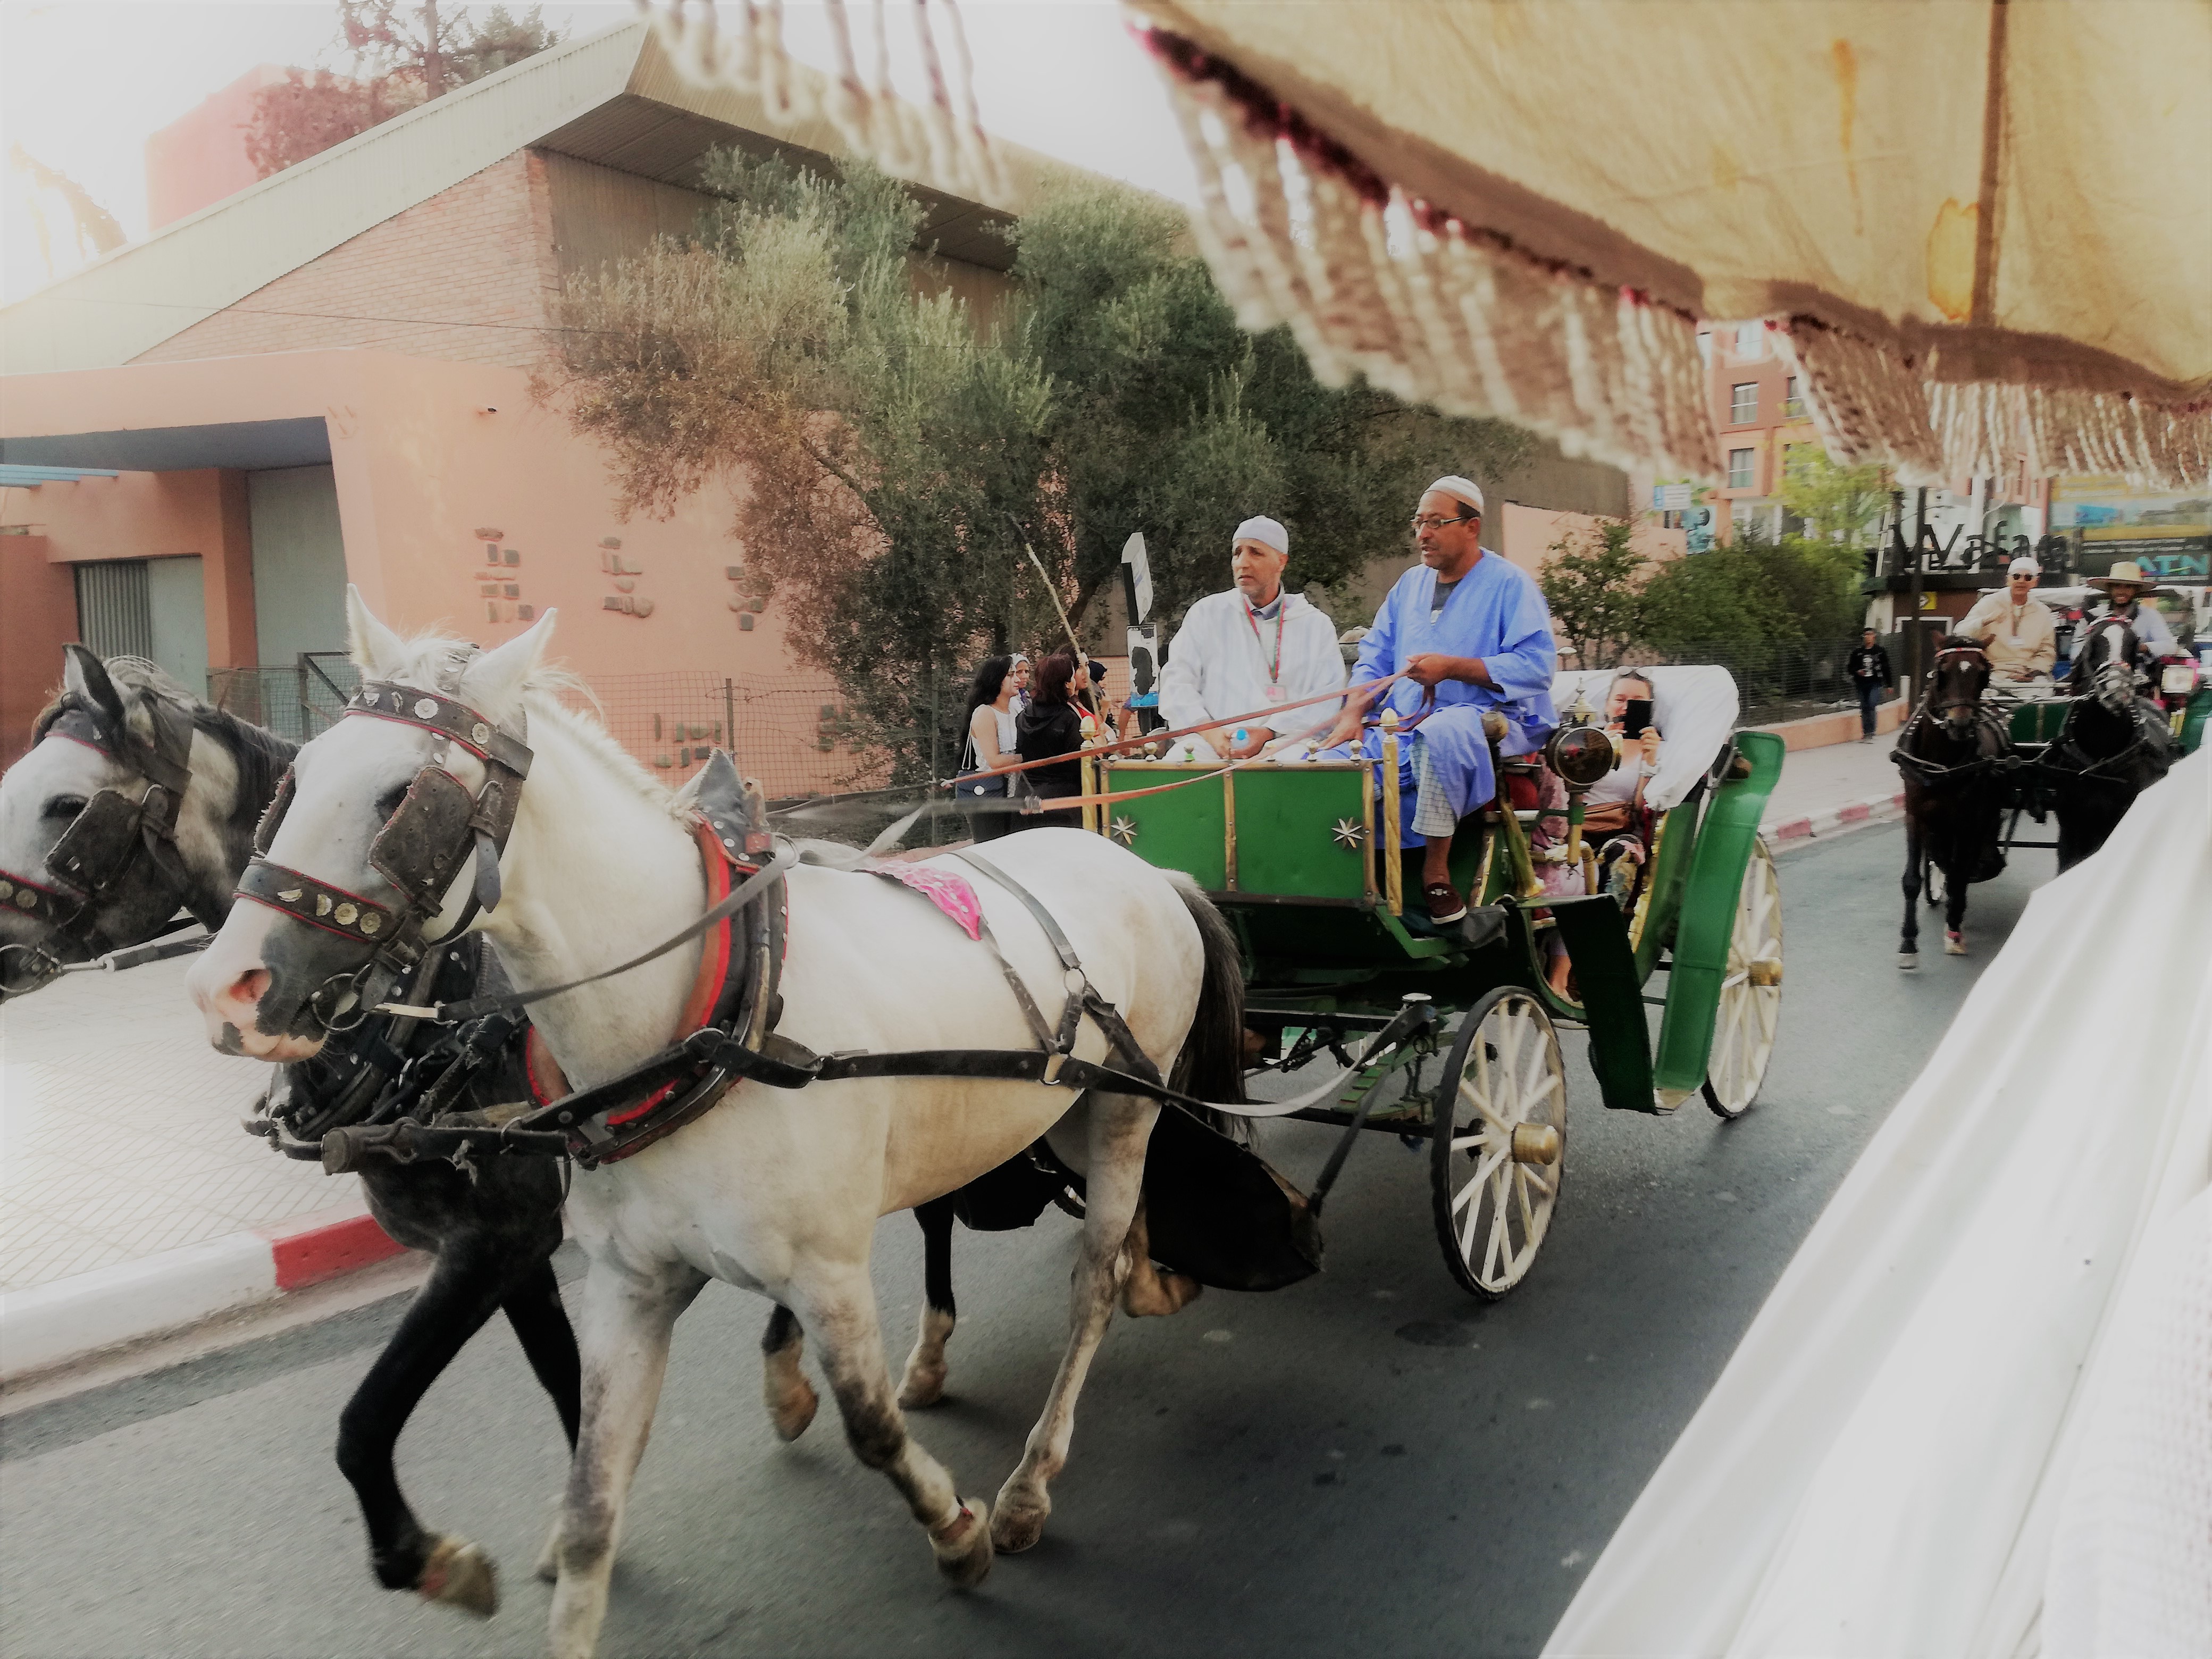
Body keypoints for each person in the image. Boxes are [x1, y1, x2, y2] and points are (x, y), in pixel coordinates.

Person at [1315, 476, 1558, 925]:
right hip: (1400, 723)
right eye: (1418, 523)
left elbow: (1537, 666)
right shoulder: (1409, 585)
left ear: (1472, 527)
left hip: (1484, 719)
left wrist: (1453, 668)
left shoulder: (1510, 584)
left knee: (1440, 734)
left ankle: (1436, 872)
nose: (1422, 534)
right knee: (1320, 760)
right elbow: (1374, 658)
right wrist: (1352, 714)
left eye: (1435, 523)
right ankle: (1337, 878)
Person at [1158, 515, 1346, 761]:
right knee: (1180, 761)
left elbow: (1327, 699)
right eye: (1237, 553)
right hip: (1213, 742)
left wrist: (1269, 732)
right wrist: (1211, 732)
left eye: (1255, 553)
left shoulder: (1315, 625)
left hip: (1286, 742)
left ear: (1281, 562)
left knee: (1291, 765)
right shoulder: (1207, 614)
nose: (1242, 563)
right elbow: (1177, 682)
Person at [1957, 556, 2058, 689]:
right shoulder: (1989, 603)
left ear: (2036, 582)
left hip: (2028, 677)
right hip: (1991, 673)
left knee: (2045, 694)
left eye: (2028, 578)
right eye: (2016, 576)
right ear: (2008, 579)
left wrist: (2031, 671)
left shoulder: (2043, 612)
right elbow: (1960, 633)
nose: (2021, 581)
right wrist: (1986, 620)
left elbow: (2047, 651)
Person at [1012, 650, 1085, 827]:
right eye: (1072, 677)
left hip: (1025, 798)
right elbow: (1079, 764)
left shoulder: (1023, 716)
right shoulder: (1068, 718)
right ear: (1065, 683)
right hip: (1062, 804)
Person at [954, 654, 1020, 841]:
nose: (1017, 679)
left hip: (1016, 793)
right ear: (996, 680)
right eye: (1010, 675)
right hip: (990, 794)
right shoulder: (985, 713)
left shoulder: (1016, 710)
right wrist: (1025, 758)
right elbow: (994, 761)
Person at [2082, 560, 2176, 661]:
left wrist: (2141, 647)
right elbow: (2077, 652)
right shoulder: (2093, 616)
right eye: (2117, 586)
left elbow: (2170, 646)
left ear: (2136, 590)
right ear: (2110, 589)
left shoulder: (2149, 615)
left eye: (2128, 587)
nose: (2121, 591)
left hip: (2137, 668)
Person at [1847, 627, 1893, 742]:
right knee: (1864, 706)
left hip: (1875, 682)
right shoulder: (1858, 652)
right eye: (1866, 635)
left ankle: (1872, 731)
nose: (1868, 637)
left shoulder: (1880, 651)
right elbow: (1850, 667)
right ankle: (1866, 731)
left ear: (1874, 636)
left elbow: (1886, 668)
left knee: (1872, 704)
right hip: (1861, 683)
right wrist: (1857, 671)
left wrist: (1889, 685)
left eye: (1870, 635)